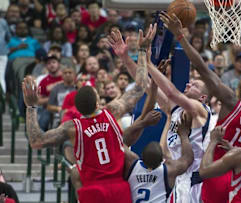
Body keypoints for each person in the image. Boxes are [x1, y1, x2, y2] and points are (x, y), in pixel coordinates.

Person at [21, 24, 156, 203]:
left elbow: (36, 141)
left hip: (92, 190)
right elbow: (139, 87)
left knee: (76, 172)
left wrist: (31, 107)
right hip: (118, 187)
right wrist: (141, 50)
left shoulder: (72, 127)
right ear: (98, 101)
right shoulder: (111, 111)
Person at [160, 12, 241, 203]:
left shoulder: (232, 102)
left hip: (211, 172)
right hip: (238, 179)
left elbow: (202, 67)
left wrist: (180, 36)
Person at [108, 24, 211, 203]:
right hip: (173, 175)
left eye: (193, 85)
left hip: (192, 181)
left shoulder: (199, 109)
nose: (187, 84)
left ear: (203, 97)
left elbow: (171, 93)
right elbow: (146, 85)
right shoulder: (176, 109)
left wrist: (148, 63)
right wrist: (125, 58)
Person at [126, 113, 194, 202]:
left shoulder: (131, 165)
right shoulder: (168, 171)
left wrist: (143, 123)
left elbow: (119, 141)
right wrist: (184, 135)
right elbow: (188, 158)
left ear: (141, 156)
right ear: (162, 160)